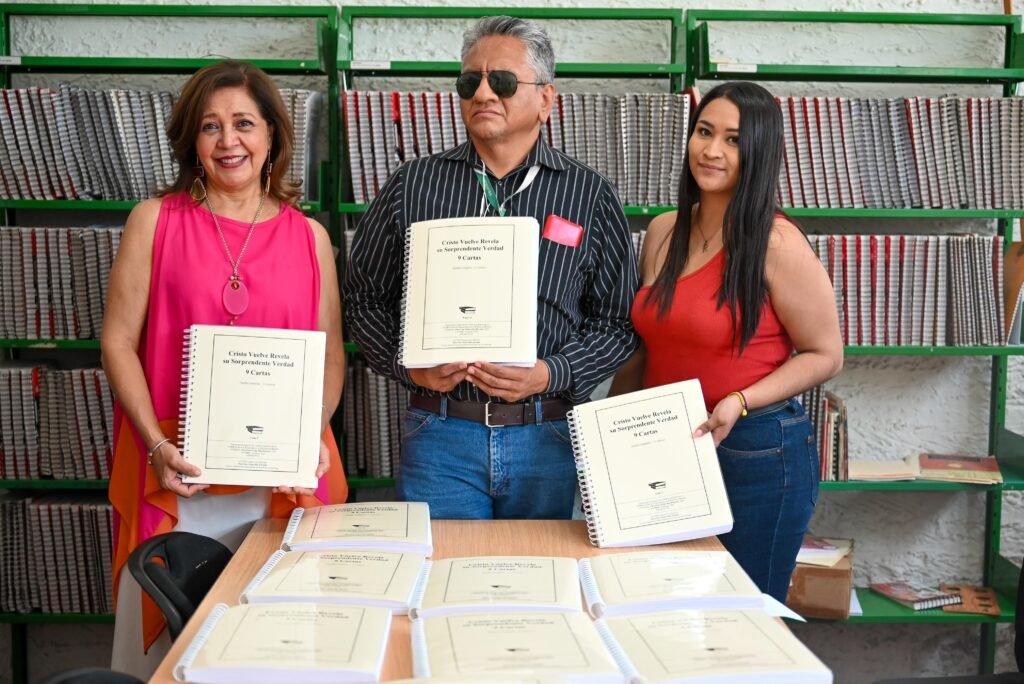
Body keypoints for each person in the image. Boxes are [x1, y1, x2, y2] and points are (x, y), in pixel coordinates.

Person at [101, 60, 347, 678]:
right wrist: (156, 445)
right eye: (210, 126)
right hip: (177, 475)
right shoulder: (154, 221)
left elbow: (330, 352)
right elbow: (118, 342)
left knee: (279, 652)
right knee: (170, 657)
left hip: (280, 486)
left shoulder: (311, 238)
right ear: (192, 140)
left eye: (243, 123)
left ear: (272, 135)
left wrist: (312, 430)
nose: (228, 140)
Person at [344, 16, 637, 520]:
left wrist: (550, 373)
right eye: (469, 82)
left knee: (536, 569)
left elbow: (618, 323)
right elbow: (364, 300)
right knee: (442, 569)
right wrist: (407, 365)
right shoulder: (412, 185)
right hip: (440, 433)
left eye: (501, 81)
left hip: (546, 434)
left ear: (545, 99)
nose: (482, 93)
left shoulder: (589, 194)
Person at [610, 81, 843, 602]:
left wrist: (740, 399)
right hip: (666, 447)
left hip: (755, 450)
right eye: (704, 132)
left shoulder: (777, 242)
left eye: (733, 140)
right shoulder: (663, 230)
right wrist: (606, 435)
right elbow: (646, 348)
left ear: (759, 150)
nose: (712, 150)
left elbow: (826, 354)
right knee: (660, 608)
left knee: (744, 620)